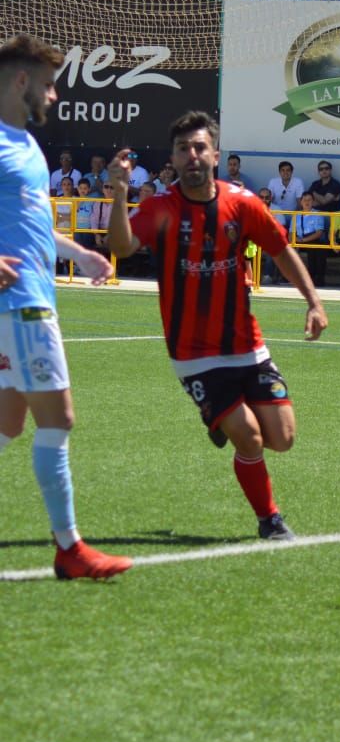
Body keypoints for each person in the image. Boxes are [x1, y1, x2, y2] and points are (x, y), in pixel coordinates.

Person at [107, 112, 327, 542]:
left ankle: (217, 421)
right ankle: (271, 520)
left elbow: (280, 250)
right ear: (172, 157)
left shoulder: (242, 203)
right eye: (183, 149)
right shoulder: (161, 208)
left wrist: (314, 303)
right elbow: (121, 245)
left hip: (247, 345)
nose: (192, 155)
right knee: (249, 439)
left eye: (199, 147)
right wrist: (118, 193)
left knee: (282, 438)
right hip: (194, 355)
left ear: (216, 154)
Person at [0, 34, 132, 580]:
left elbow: (32, 224)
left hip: (23, 302)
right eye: (50, 85)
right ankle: (70, 548)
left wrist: (79, 253)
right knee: (60, 421)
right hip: (24, 305)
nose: (55, 96)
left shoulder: (27, 145)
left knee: (7, 423)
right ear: (22, 82)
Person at [293, 190, 330, 287]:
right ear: (301, 202)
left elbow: (319, 233)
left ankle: (317, 279)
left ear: (313, 202)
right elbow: (291, 232)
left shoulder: (317, 214)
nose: (307, 202)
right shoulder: (296, 215)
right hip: (298, 240)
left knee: (318, 249)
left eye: (309, 200)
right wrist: (292, 241)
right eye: (304, 200)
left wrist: (303, 241)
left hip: (311, 240)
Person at [266, 160, 303, 231]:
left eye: (288, 170)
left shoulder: (298, 182)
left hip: (293, 214)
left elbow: (300, 202)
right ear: (279, 172)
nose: (285, 172)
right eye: (283, 170)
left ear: (292, 172)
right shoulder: (273, 182)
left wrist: (294, 217)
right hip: (277, 214)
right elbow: (269, 200)